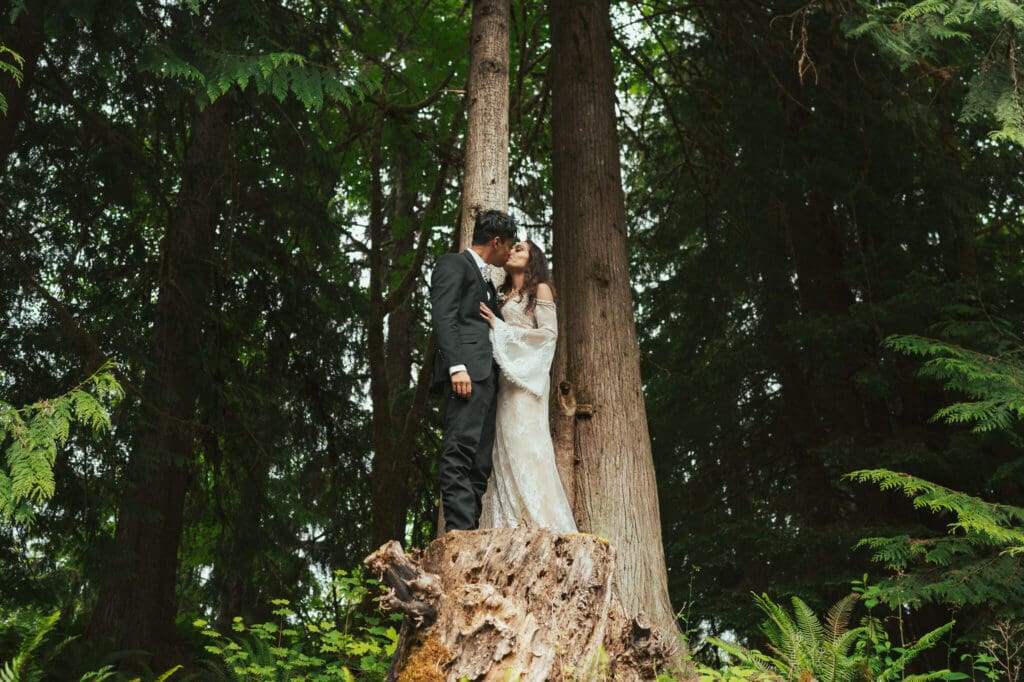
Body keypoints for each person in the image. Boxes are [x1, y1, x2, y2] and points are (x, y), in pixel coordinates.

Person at [477, 240, 577, 533]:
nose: (512, 252)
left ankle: (543, 526)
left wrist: (502, 327)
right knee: (505, 448)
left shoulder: (541, 289)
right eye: (512, 248)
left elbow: (548, 335)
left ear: (533, 258)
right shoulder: (502, 294)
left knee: (528, 446)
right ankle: (511, 526)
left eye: (520, 249)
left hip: (528, 380)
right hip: (505, 382)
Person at [429, 210, 516, 532]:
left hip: (487, 379)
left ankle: (469, 534)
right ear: (497, 241)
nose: (509, 253)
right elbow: (444, 317)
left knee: (480, 462)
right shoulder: (453, 264)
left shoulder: (487, 281)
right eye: (509, 246)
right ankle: (458, 535)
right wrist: (457, 367)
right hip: (466, 374)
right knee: (458, 451)